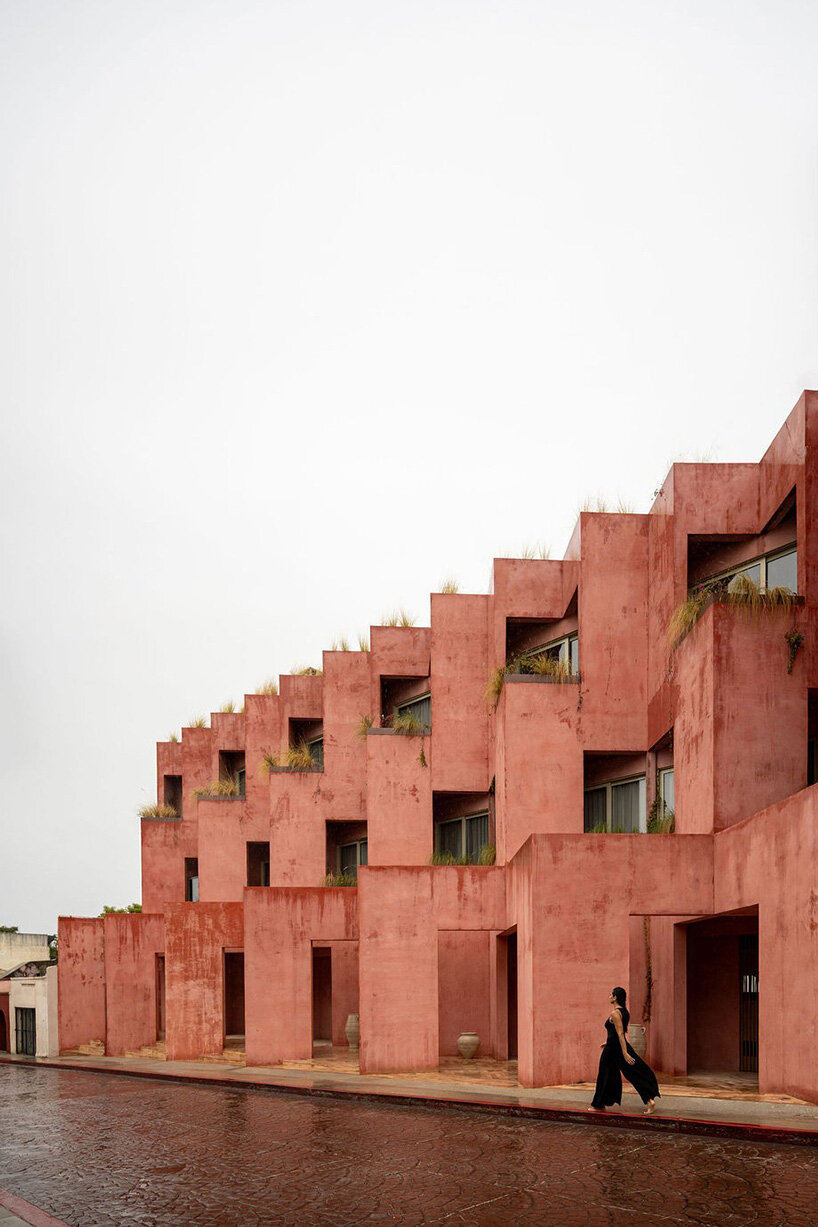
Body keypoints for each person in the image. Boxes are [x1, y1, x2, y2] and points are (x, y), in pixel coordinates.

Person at [589, 986, 660, 1115]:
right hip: (615, 1046)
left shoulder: (615, 1013)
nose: (609, 996)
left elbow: (621, 1033)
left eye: (611, 994)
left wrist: (625, 1052)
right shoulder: (625, 1012)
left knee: (604, 1075)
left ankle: (598, 1105)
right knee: (632, 1073)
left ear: (615, 997)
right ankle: (649, 1101)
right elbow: (615, 1033)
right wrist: (608, 1042)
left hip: (614, 1050)